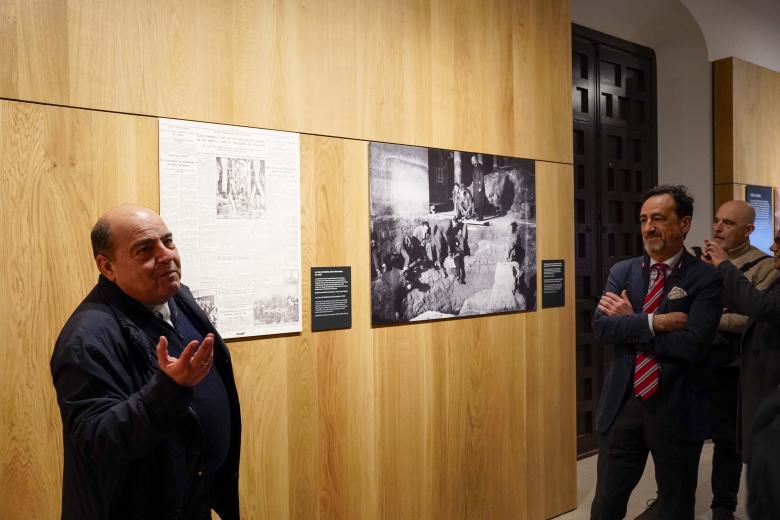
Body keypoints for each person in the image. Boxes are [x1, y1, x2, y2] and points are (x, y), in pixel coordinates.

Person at [50, 205, 241, 520]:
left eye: (168, 241)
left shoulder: (178, 297)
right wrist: (169, 388)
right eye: (145, 249)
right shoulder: (87, 339)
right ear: (107, 267)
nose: (166, 255)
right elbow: (96, 441)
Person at [590, 185, 722, 520]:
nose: (649, 227)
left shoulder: (705, 278)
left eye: (659, 218)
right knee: (606, 502)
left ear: (684, 223)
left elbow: (693, 344)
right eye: (644, 219)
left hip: (677, 405)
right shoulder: (623, 272)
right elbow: (602, 328)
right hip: (623, 404)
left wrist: (631, 322)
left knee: (675, 505)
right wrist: (656, 322)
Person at [702, 227, 780, 466]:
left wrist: (726, 267)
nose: (772, 247)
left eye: (779, 242)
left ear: (747, 229)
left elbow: (759, 308)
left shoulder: (765, 266)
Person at [470, 155, 486, 220]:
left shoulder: (480, 166)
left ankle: (480, 217)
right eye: (471, 161)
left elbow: (482, 177)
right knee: (477, 202)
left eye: (473, 161)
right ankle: (479, 216)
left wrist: (480, 187)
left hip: (479, 187)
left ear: (476, 160)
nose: (472, 162)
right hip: (475, 187)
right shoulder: (475, 167)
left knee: (480, 202)